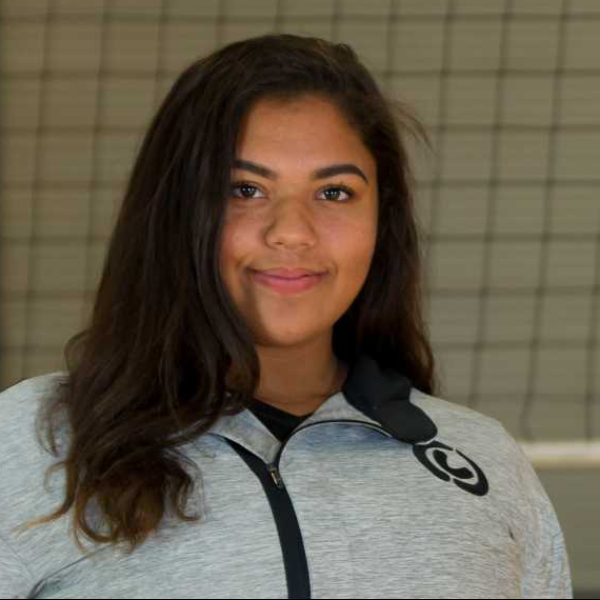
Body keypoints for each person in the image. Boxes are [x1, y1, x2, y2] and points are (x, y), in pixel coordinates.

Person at [0, 33, 572, 599]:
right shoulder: (35, 443)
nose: (292, 232)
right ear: (175, 212)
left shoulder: (485, 460)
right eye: (245, 189)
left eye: (335, 193)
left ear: (383, 220)